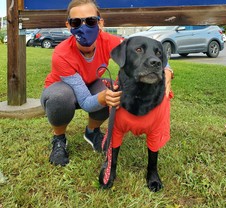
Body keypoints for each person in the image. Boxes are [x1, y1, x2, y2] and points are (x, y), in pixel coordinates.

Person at [40, 0, 173, 166]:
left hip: (91, 82)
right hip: (61, 88)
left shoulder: (108, 40)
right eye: (76, 22)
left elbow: (141, 49)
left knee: (112, 89)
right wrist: (103, 98)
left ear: (100, 23)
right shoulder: (61, 54)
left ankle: (92, 132)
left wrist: (167, 70)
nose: (84, 27)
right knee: (60, 97)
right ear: (68, 26)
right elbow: (86, 102)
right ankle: (59, 138)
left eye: (90, 21)